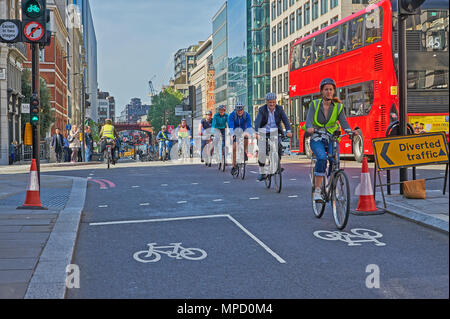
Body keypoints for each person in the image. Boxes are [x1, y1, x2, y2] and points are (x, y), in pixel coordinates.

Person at [303, 78, 356, 203]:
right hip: (317, 137)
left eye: (331, 89)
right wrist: (310, 128)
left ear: (334, 91)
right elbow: (309, 120)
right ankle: (317, 190)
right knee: (322, 158)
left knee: (334, 161)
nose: (328, 92)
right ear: (322, 91)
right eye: (326, 89)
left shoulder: (338, 107)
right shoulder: (315, 104)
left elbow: (344, 123)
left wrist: (350, 131)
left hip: (332, 138)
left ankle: (333, 186)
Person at [254, 93, 292, 181]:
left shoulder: (279, 109)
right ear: (266, 102)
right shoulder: (262, 110)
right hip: (263, 131)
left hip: (275, 131)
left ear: (276, 102)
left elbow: (285, 120)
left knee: (278, 146)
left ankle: (276, 165)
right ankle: (262, 171)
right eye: (270, 102)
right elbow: (258, 121)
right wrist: (256, 132)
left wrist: (288, 131)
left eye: (273, 102)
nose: (272, 104)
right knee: (262, 151)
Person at [228, 102, 252, 176]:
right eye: (238, 111)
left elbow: (249, 125)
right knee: (234, 147)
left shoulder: (246, 115)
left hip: (243, 130)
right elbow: (231, 125)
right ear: (236, 110)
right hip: (235, 131)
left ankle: (244, 151)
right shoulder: (232, 115)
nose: (239, 112)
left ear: (243, 109)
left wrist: (249, 133)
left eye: (241, 110)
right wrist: (232, 134)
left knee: (246, 137)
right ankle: (234, 166)